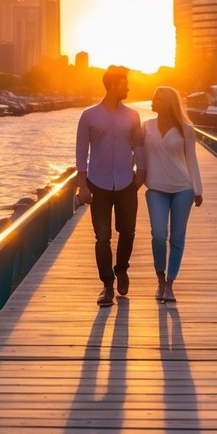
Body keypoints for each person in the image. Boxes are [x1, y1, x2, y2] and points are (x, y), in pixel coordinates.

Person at [74, 65, 145, 307]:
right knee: (102, 237)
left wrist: (141, 175)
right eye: (124, 83)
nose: (128, 86)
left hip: (127, 182)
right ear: (113, 85)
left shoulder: (133, 116)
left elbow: (139, 146)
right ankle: (107, 285)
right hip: (99, 184)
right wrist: (82, 186)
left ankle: (122, 269)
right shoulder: (89, 116)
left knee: (128, 232)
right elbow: (81, 152)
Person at [142, 86, 203, 304]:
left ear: (167, 102)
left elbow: (192, 160)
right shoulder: (146, 127)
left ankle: (169, 285)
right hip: (156, 188)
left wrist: (198, 189)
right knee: (159, 235)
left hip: (183, 189)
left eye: (156, 98)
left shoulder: (186, 129)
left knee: (177, 238)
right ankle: (159, 279)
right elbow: (136, 155)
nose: (152, 100)